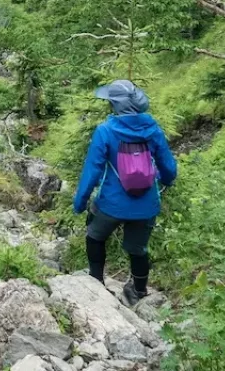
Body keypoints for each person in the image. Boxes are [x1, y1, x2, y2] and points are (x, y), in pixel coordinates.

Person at [72, 79, 177, 305]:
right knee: (138, 248)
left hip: (111, 203)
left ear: (115, 105)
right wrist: (166, 180)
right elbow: (168, 167)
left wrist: (80, 203)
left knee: (95, 236)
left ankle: (96, 282)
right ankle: (138, 291)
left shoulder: (105, 131)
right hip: (146, 204)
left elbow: (92, 171)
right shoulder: (153, 129)